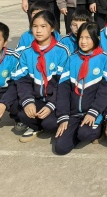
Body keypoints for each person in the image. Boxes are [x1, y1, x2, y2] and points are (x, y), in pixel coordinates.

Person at [54, 22, 107, 155]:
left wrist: (94, 111)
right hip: (74, 113)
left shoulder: (104, 59)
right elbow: (63, 89)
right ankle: (77, 130)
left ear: (97, 39)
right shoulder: (72, 59)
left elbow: (106, 91)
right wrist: (63, 115)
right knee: (60, 148)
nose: (83, 41)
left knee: (85, 134)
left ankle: (98, 127)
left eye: (88, 38)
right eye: (81, 37)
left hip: (94, 112)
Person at [14, 10, 71, 142]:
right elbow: (22, 81)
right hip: (37, 98)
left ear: (52, 28)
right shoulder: (26, 53)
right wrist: (28, 101)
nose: (38, 30)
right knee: (21, 112)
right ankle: (36, 126)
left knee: (50, 124)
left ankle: (44, 123)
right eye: (35, 26)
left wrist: (51, 104)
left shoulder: (62, 51)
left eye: (43, 26)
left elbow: (64, 84)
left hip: (56, 99)